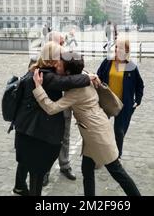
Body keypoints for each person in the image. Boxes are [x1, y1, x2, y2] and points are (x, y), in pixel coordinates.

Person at [32, 52, 141, 196]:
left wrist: (38, 88)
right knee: (87, 170)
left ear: (69, 72)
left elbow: (51, 108)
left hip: (97, 134)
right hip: (93, 131)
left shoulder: (76, 90)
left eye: (59, 65)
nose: (56, 66)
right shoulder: (84, 75)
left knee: (117, 172)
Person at [12, 42, 97, 196]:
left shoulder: (35, 69)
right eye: (60, 57)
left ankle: (20, 187)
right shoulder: (47, 76)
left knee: (31, 169)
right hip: (36, 132)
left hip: (25, 128)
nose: (62, 60)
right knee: (36, 174)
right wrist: (88, 77)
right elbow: (67, 82)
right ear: (52, 60)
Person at [97, 39, 144, 158]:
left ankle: (117, 156)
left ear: (127, 50)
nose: (117, 50)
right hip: (106, 101)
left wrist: (137, 101)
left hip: (123, 103)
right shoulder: (107, 62)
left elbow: (139, 84)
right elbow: (98, 77)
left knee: (119, 131)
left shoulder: (131, 66)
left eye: (121, 48)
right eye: (116, 47)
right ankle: (101, 153)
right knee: (101, 129)